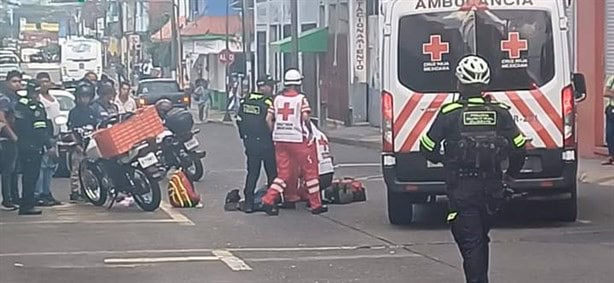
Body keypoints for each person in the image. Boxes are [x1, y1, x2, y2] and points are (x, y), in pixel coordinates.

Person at [419, 55, 526, 283]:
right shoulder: (500, 112)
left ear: (459, 83)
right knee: (480, 238)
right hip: (493, 190)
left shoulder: (450, 113)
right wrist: (511, 178)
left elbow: (426, 146)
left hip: (462, 189)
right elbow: (519, 148)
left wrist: (443, 159)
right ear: (485, 84)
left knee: (471, 243)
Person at [260, 69, 327, 215]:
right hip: (298, 140)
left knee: (283, 174)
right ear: (298, 84)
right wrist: (309, 132)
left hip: (280, 140)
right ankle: (316, 205)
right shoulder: (301, 99)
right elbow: (305, 118)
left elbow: (268, 119)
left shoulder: (277, 99)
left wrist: (275, 132)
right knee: (310, 173)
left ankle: (268, 199)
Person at [235, 76, 278, 213]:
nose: (272, 89)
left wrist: (244, 137)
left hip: (250, 142)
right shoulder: (268, 102)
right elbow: (270, 121)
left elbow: (239, 119)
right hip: (266, 142)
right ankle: (271, 203)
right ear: (264, 87)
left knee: (252, 173)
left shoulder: (246, 99)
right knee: (272, 173)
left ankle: (248, 203)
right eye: (270, 86)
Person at [13, 79, 56, 215]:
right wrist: (48, 145)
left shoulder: (21, 104)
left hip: (23, 144)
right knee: (31, 176)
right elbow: (40, 128)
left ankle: (26, 203)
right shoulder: (35, 106)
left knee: (27, 175)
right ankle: (27, 205)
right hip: (33, 146)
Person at [34, 72, 62, 206]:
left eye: (47, 81)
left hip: (55, 135)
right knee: (42, 166)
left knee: (51, 167)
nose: (44, 84)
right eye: (42, 82)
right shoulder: (38, 99)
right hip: (44, 136)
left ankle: (47, 192)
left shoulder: (53, 98)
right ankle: (38, 193)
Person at [67, 83, 97, 202]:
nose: (84, 99)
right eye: (82, 97)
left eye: (87, 97)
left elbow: (95, 128)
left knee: (88, 170)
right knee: (76, 169)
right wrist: (76, 144)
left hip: (90, 145)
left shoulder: (91, 111)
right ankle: (75, 192)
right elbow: (71, 130)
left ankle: (86, 191)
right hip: (78, 145)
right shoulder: (74, 113)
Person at [0, 71, 22, 211]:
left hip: (15, 137)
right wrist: (12, 135)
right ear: (7, 82)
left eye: (19, 81)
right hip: (6, 138)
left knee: (15, 170)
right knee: (8, 170)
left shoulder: (15, 97)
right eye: (14, 81)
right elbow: (2, 118)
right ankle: (7, 200)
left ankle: (14, 197)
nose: (18, 84)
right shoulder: (4, 98)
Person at [603, 75, 614, 165]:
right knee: (609, 134)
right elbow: (606, 92)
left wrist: (612, 93)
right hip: (611, 109)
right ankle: (611, 156)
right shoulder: (612, 78)